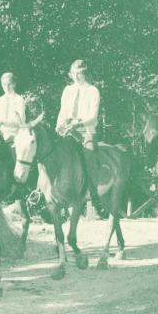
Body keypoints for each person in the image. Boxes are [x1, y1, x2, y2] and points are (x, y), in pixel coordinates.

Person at [56, 59, 105, 215]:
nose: (77, 76)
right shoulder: (67, 90)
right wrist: (59, 125)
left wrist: (78, 124)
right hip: (68, 130)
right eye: (74, 73)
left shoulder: (93, 91)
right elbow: (62, 111)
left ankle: (95, 198)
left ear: (85, 73)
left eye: (80, 73)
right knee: (55, 155)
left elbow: (93, 116)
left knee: (89, 157)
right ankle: (53, 196)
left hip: (86, 130)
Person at [0, 72, 26, 144]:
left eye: (9, 84)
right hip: (1, 136)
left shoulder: (19, 100)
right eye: (4, 84)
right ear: (1, 85)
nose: (6, 87)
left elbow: (20, 122)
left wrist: (2, 121)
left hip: (15, 135)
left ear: (14, 84)